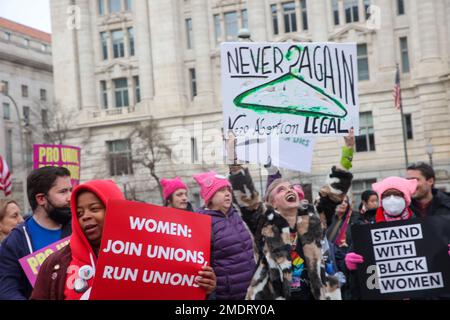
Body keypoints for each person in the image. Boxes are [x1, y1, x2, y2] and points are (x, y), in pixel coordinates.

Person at [31, 179, 216, 300]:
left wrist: (203, 290)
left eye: (94, 209)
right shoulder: (56, 263)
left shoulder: (153, 254)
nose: (85, 216)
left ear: (115, 210)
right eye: (79, 213)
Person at [227, 132, 354, 300]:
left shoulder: (313, 219)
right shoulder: (265, 225)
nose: (289, 190)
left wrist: (348, 151)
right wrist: (233, 158)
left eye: (290, 188)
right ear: (272, 203)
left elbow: (333, 193)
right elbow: (247, 199)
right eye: (281, 190)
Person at [0, 166, 72, 300]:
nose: (70, 197)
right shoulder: (16, 241)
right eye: (63, 192)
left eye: (70, 190)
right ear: (41, 199)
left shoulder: (79, 228)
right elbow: (7, 290)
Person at [193, 171, 255, 300]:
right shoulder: (202, 223)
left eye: (228, 189)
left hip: (251, 291)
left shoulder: (236, 214)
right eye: (221, 190)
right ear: (209, 197)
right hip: (227, 295)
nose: (227, 193)